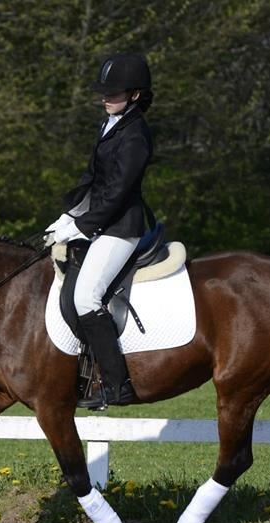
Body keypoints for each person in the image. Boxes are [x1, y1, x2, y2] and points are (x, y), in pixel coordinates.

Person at [44, 53, 154, 408]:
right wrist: (67, 215)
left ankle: (116, 385)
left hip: (122, 227)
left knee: (86, 297)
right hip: (102, 223)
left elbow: (119, 192)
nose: (105, 98)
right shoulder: (110, 124)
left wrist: (81, 226)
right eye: (104, 92)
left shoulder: (136, 135)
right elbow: (92, 178)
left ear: (135, 94)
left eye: (114, 93)